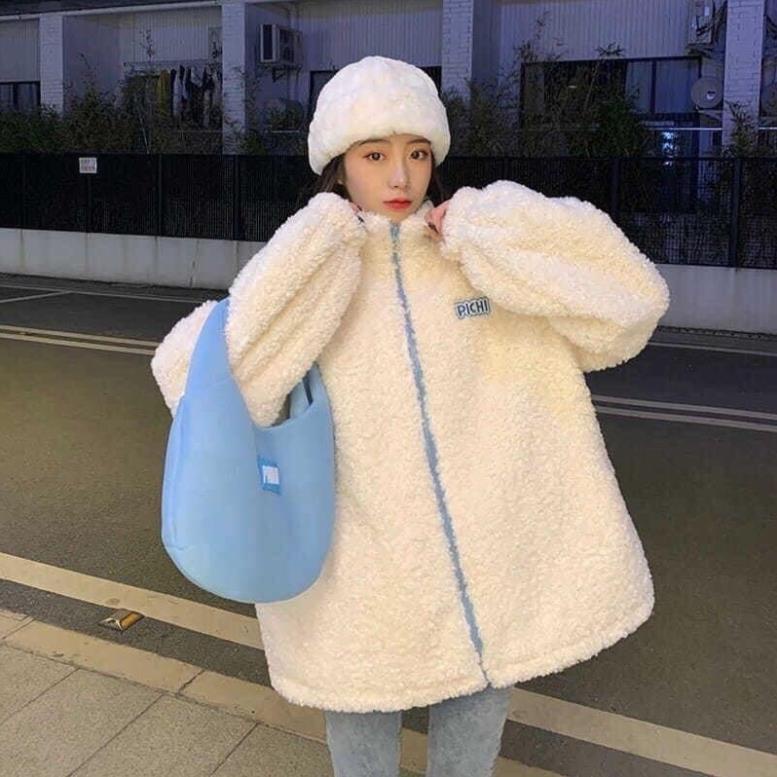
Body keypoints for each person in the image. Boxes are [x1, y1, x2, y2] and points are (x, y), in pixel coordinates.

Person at [150, 55, 670, 777]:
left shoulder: (479, 254)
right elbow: (191, 379)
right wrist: (311, 250)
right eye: (375, 155)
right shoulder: (316, 268)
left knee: (473, 728)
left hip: (489, 566)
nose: (400, 177)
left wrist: (498, 224)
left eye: (417, 153)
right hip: (359, 567)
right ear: (339, 167)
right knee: (361, 737)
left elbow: (631, 303)